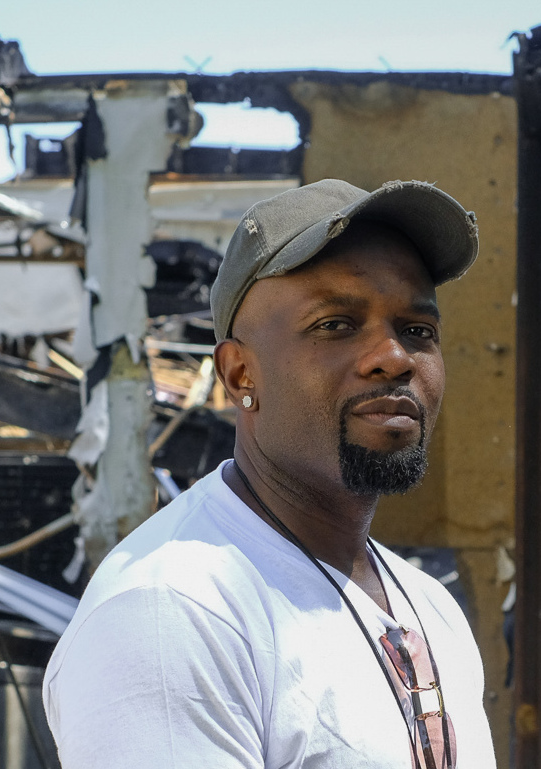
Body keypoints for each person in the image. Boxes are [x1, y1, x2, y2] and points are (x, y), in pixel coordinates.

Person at [43, 179, 496, 768]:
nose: (394, 357)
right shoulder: (173, 614)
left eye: (418, 331)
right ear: (239, 375)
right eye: (335, 324)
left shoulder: (429, 607)